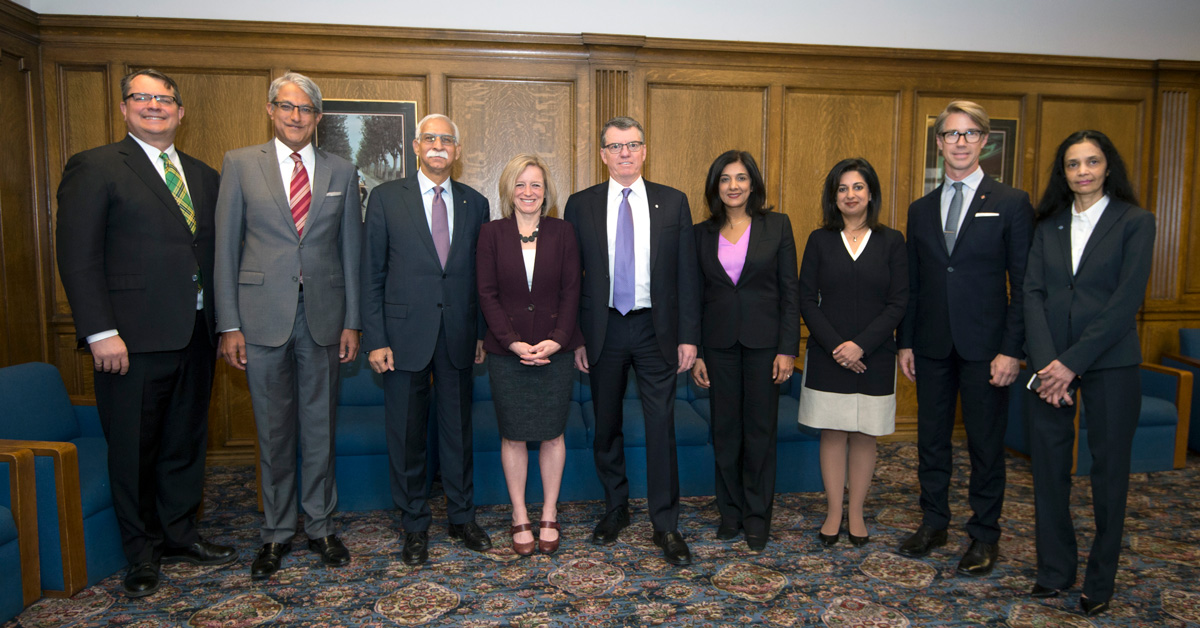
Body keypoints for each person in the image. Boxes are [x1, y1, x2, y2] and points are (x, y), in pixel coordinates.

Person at [56, 68, 235, 597]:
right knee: (134, 450)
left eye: (164, 99)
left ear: (181, 112)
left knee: (184, 444)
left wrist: (226, 325)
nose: (153, 106)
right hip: (128, 341)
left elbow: (213, 256)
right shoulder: (96, 167)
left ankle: (180, 535)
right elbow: (78, 256)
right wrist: (99, 331)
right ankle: (141, 553)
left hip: (196, 335)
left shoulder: (203, 175)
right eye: (142, 97)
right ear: (124, 107)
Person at [214, 72, 362, 580]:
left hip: (323, 319)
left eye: (306, 109)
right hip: (260, 319)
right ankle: (276, 534)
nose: (296, 116)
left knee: (319, 428)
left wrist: (354, 322)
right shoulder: (239, 164)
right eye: (287, 106)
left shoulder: (342, 170)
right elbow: (225, 247)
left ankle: (320, 527)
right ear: (271, 110)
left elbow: (351, 252)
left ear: (318, 118)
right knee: (274, 432)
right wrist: (228, 324)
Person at [896, 100, 1033, 576]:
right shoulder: (920, 209)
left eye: (970, 134)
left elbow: (1024, 285)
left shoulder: (1012, 203)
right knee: (931, 441)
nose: (960, 142)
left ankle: (984, 535)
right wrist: (906, 342)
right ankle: (933, 522)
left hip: (987, 349)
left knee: (984, 444)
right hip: (932, 345)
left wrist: (1012, 349)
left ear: (984, 141)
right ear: (939, 143)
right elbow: (914, 283)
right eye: (951, 134)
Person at [1024, 130, 1155, 617]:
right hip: (1048, 364)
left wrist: (1072, 363)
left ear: (1107, 167)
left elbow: (1125, 302)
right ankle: (1054, 571)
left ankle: (1100, 580)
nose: (1082, 171)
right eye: (1073, 164)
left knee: (1108, 476)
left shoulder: (1136, 222)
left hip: (1109, 364)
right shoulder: (1048, 225)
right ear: (1063, 173)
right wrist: (1046, 364)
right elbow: (1032, 294)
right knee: (1048, 473)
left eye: (1092, 162)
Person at [564, 116, 701, 566]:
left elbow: (687, 277)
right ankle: (616, 508)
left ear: (645, 151)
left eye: (633, 144)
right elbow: (571, 280)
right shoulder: (580, 205)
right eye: (615, 146)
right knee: (606, 426)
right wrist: (577, 336)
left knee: (661, 426)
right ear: (603, 154)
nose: (625, 153)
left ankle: (667, 525)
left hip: (654, 329)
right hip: (603, 328)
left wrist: (689, 337)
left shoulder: (673, 202)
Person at [361, 114, 492, 566]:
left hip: (458, 334)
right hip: (401, 337)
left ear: (457, 150)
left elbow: (480, 278)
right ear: (416, 146)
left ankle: (462, 517)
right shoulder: (384, 199)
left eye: (447, 141)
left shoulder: (476, 203)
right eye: (430, 139)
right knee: (407, 435)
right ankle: (414, 524)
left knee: (458, 434)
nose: (439, 146)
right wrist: (375, 338)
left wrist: (479, 333)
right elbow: (371, 273)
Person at [690, 150, 798, 552]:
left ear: (753, 184)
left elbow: (791, 293)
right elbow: (695, 296)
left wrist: (788, 348)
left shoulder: (778, 226)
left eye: (740, 178)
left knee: (760, 433)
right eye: (725, 179)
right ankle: (730, 513)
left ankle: (757, 516)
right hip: (717, 347)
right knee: (725, 432)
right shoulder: (701, 233)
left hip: (764, 346)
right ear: (715, 187)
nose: (733, 186)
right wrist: (698, 351)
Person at [797, 158, 907, 548]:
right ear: (834, 196)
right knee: (833, 432)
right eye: (842, 189)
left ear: (871, 193)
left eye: (857, 187)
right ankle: (833, 512)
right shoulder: (819, 239)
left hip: (875, 354)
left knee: (864, 435)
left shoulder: (892, 241)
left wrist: (861, 345)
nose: (850, 195)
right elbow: (806, 299)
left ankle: (857, 512)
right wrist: (837, 347)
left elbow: (898, 303)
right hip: (828, 354)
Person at [476, 154, 582, 556]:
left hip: (557, 350)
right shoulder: (490, 234)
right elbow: (486, 293)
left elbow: (573, 291)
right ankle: (520, 514)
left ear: (546, 191)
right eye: (520, 184)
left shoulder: (564, 232)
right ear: (508, 190)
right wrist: (512, 342)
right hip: (508, 352)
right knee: (513, 434)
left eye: (535, 184)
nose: (528, 192)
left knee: (554, 433)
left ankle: (549, 512)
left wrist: (557, 340)